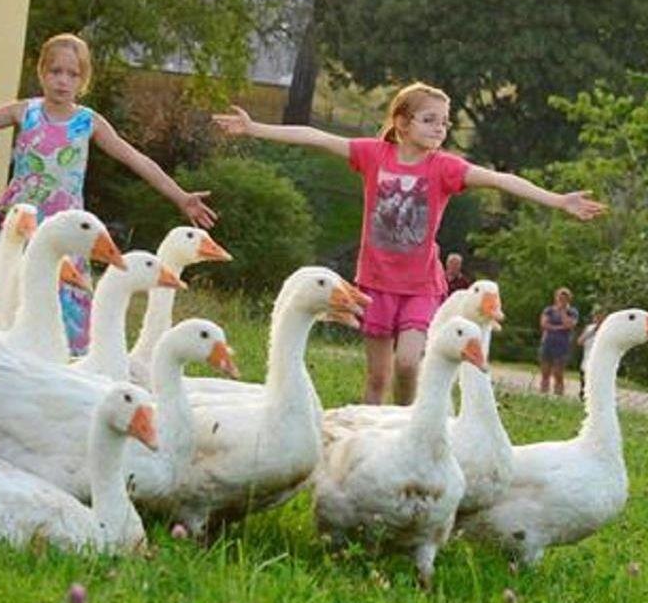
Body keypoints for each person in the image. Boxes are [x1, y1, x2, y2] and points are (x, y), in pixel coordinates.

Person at [215, 83, 604, 406]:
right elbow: (317, 137)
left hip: (419, 286)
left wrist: (557, 200)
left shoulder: (445, 168)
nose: (440, 128)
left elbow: (500, 179)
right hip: (375, 283)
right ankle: (368, 435)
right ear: (402, 122)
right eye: (430, 120)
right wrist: (255, 128)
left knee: (407, 364)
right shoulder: (373, 154)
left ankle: (405, 424)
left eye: (445, 122)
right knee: (376, 378)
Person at [0, 33, 217, 353]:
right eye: (55, 72)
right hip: (19, 223)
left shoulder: (89, 122)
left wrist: (180, 196)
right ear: (41, 72)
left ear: (83, 80)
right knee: (2, 288)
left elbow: (136, 160)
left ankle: (58, 357)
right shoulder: (25, 112)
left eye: (72, 74)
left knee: (62, 295)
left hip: (65, 229)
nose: (62, 81)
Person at [539, 287, 581, 396]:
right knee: (545, 372)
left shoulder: (572, 312)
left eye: (564, 298)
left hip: (562, 344)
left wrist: (562, 312)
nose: (561, 300)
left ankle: (558, 395)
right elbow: (544, 324)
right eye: (560, 297)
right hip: (548, 342)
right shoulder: (549, 310)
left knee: (558, 373)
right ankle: (543, 394)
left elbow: (569, 325)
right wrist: (559, 328)